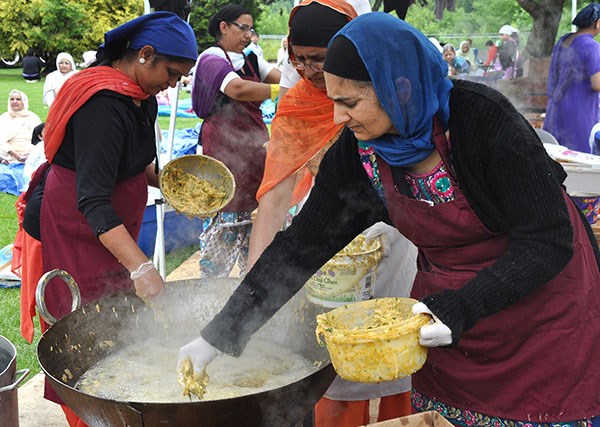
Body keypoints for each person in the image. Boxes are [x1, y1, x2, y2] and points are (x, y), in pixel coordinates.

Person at [179, 12, 600, 426]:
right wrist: (218, 336)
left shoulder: (482, 120)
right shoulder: (360, 153)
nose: (338, 117)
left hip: (542, 313)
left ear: (399, 88)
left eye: (349, 102)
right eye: (333, 102)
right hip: (450, 322)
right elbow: (300, 248)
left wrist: (459, 308)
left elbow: (548, 242)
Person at [12, 11, 198, 427]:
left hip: (114, 225)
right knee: (81, 325)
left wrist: (175, 185)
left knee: (119, 314)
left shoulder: (140, 95)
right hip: (79, 224)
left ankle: (125, 401)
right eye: (172, 73)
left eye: (182, 77)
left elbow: (137, 162)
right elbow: (94, 200)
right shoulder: (102, 104)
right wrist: (143, 266)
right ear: (145, 55)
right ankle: (90, 414)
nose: (175, 84)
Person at [247, 1, 415, 425]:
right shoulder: (297, 107)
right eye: (297, 58)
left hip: (394, 239)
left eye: (319, 58)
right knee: (331, 353)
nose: (307, 70)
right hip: (329, 240)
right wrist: (252, 292)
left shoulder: (392, 93)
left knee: (395, 345)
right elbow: (272, 198)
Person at [191, 4, 280, 278]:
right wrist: (281, 90)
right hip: (224, 155)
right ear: (224, 27)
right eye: (243, 28)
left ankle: (250, 287)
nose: (248, 35)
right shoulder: (211, 59)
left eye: (250, 29)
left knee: (255, 229)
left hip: (254, 152)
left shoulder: (251, 59)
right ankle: (211, 292)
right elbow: (237, 88)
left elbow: (281, 76)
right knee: (225, 224)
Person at [543, 3, 600, 154]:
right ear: (598, 23)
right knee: (579, 158)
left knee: (556, 156)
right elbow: (597, 84)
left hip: (556, 109)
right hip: (579, 111)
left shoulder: (563, 41)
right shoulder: (592, 46)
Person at [0, 90, 42, 164]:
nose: (14, 102)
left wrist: (29, 154)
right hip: (8, 153)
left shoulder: (33, 117)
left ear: (24, 102)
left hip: (30, 152)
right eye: (12, 99)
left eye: (18, 99)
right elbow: (2, 140)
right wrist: (15, 155)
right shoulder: (4, 118)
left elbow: (39, 138)